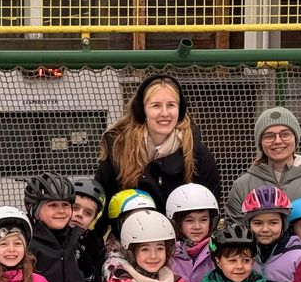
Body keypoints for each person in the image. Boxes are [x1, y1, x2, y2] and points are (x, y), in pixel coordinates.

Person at [94, 73, 221, 219]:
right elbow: (101, 205)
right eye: (156, 106)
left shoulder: (197, 153)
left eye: (171, 105)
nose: (165, 113)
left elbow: (211, 211)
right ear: (143, 110)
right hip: (132, 237)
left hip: (182, 240)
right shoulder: (119, 149)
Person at [223, 107, 301, 222]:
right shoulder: (242, 186)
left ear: (295, 138)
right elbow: (235, 229)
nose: (277, 141)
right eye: (269, 136)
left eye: (285, 134)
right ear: (260, 142)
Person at [241, 185, 301, 282]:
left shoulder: (299, 257)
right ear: (248, 225)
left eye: (273, 223)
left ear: (284, 223)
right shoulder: (241, 256)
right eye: (258, 223)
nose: (265, 229)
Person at [165, 183, 220, 282]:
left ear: (212, 221)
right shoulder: (168, 255)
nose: (197, 226)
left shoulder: (219, 251)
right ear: (177, 223)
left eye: (203, 220)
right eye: (189, 220)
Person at [70, 177, 107, 278]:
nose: (79, 214)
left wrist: (89, 273)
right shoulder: (52, 235)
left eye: (88, 213)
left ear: (94, 219)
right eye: (75, 208)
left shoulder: (95, 243)